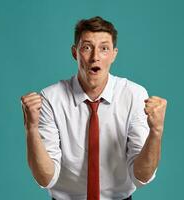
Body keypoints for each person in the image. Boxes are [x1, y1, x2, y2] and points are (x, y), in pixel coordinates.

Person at [21, 16, 167, 200]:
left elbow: (142, 176)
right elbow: (45, 178)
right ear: (75, 52)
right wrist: (31, 129)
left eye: (104, 48)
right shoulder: (51, 98)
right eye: (87, 47)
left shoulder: (134, 95)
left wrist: (156, 131)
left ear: (114, 54)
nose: (95, 57)